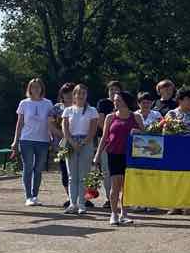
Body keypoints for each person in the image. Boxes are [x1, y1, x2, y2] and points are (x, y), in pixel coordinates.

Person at [10, 78, 55, 206]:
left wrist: (52, 138)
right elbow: (19, 123)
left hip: (43, 140)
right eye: (33, 87)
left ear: (42, 88)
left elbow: (51, 122)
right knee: (28, 167)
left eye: (38, 87)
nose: (35, 89)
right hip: (26, 139)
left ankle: (35, 196)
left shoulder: (48, 103)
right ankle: (28, 196)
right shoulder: (24, 103)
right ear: (29, 89)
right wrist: (15, 141)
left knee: (38, 168)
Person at [99, 91, 141, 225]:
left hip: (131, 155)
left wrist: (138, 131)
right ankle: (114, 214)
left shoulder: (136, 116)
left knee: (126, 186)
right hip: (114, 153)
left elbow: (145, 135)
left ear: (125, 101)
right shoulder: (110, 117)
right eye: (114, 100)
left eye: (118, 100)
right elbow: (104, 137)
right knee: (115, 185)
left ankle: (124, 213)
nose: (115, 102)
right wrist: (97, 155)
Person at [60, 84, 100, 215]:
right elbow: (65, 129)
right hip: (70, 143)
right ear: (74, 95)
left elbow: (93, 130)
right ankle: (72, 204)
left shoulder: (92, 110)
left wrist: (83, 142)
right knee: (72, 176)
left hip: (86, 143)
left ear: (86, 95)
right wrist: (72, 142)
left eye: (83, 93)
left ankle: (82, 204)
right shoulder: (68, 110)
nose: (81, 96)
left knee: (83, 176)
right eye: (78, 93)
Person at [51, 82, 76, 209]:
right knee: (65, 171)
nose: (69, 96)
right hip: (61, 144)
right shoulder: (56, 108)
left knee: (80, 171)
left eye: (72, 93)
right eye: (66, 93)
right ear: (62, 95)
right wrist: (64, 136)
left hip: (78, 143)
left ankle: (81, 196)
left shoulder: (81, 108)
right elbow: (50, 125)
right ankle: (70, 197)